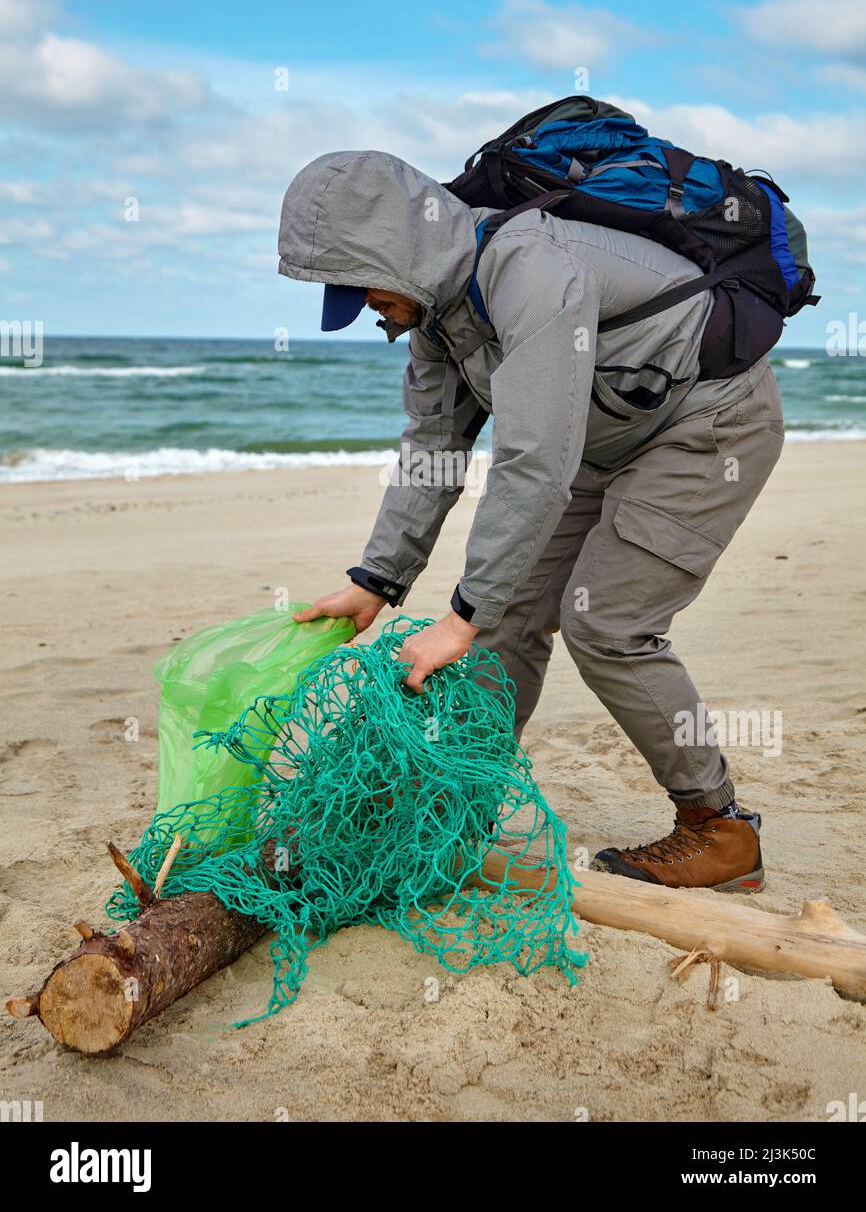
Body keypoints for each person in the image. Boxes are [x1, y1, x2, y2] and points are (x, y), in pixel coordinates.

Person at [278, 147, 795, 892]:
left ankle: (718, 827)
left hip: (708, 427)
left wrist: (460, 617)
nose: (363, 307)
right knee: (510, 614)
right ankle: (460, 804)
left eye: (360, 287)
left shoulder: (533, 272)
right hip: (600, 439)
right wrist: (378, 579)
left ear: (398, 253)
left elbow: (533, 460)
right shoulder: (434, 318)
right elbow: (432, 450)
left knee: (607, 624)